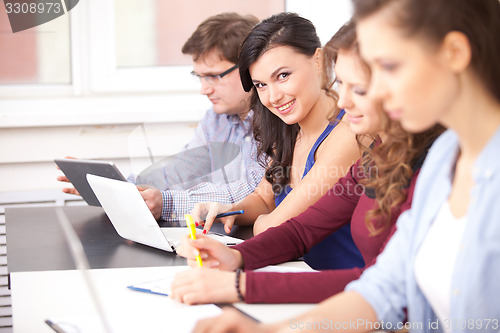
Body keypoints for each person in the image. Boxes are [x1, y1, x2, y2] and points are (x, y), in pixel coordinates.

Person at [189, 0, 500, 331]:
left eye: (388, 67)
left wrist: (243, 286)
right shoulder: (444, 157)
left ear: (454, 53)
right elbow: (384, 288)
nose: (357, 97)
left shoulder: (431, 156)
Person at [170, 20, 443, 305]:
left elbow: (385, 283)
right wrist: (236, 256)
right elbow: (300, 230)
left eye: (358, 88)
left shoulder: (434, 162)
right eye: (341, 83)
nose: (343, 100)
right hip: (352, 300)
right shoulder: (378, 154)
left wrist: (242, 285)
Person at [192, 12, 363, 270]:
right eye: (261, 85)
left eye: (283, 76)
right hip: (295, 272)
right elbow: (264, 197)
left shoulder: (346, 134)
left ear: (318, 61)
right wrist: (229, 209)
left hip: (340, 284)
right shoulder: (291, 128)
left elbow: (273, 227)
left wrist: (259, 221)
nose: (273, 97)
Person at [57, 13, 265, 222]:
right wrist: (123, 188)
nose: (204, 90)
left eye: (212, 76)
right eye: (199, 77)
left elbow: (257, 193)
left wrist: (167, 203)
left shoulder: (276, 122)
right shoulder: (216, 119)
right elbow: (180, 173)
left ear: (249, 67)